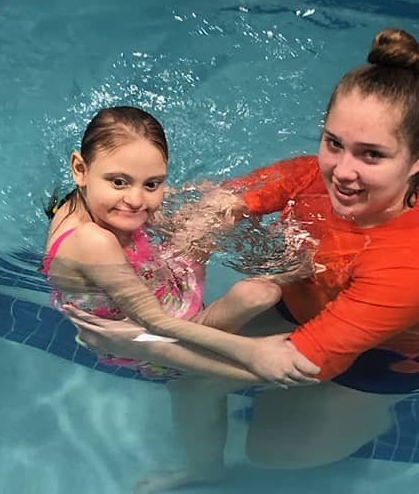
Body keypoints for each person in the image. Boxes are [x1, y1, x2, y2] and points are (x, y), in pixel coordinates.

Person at [63, 28, 419, 491]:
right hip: (305, 310)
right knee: (190, 382)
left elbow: (301, 365)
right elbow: (225, 201)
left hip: (386, 356)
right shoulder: (312, 176)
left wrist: (143, 343)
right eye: (333, 143)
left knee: (273, 455)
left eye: (371, 155)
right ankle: (203, 470)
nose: (342, 172)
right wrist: (192, 234)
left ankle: (376, 414)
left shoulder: (406, 265)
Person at [42, 105, 319, 384]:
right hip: (153, 342)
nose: (136, 200)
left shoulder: (81, 202)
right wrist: (252, 353)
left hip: (155, 282)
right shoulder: (92, 241)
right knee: (258, 294)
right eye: (119, 182)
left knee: (218, 208)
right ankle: (304, 267)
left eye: (151, 184)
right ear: (80, 169)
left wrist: (190, 198)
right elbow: (155, 324)